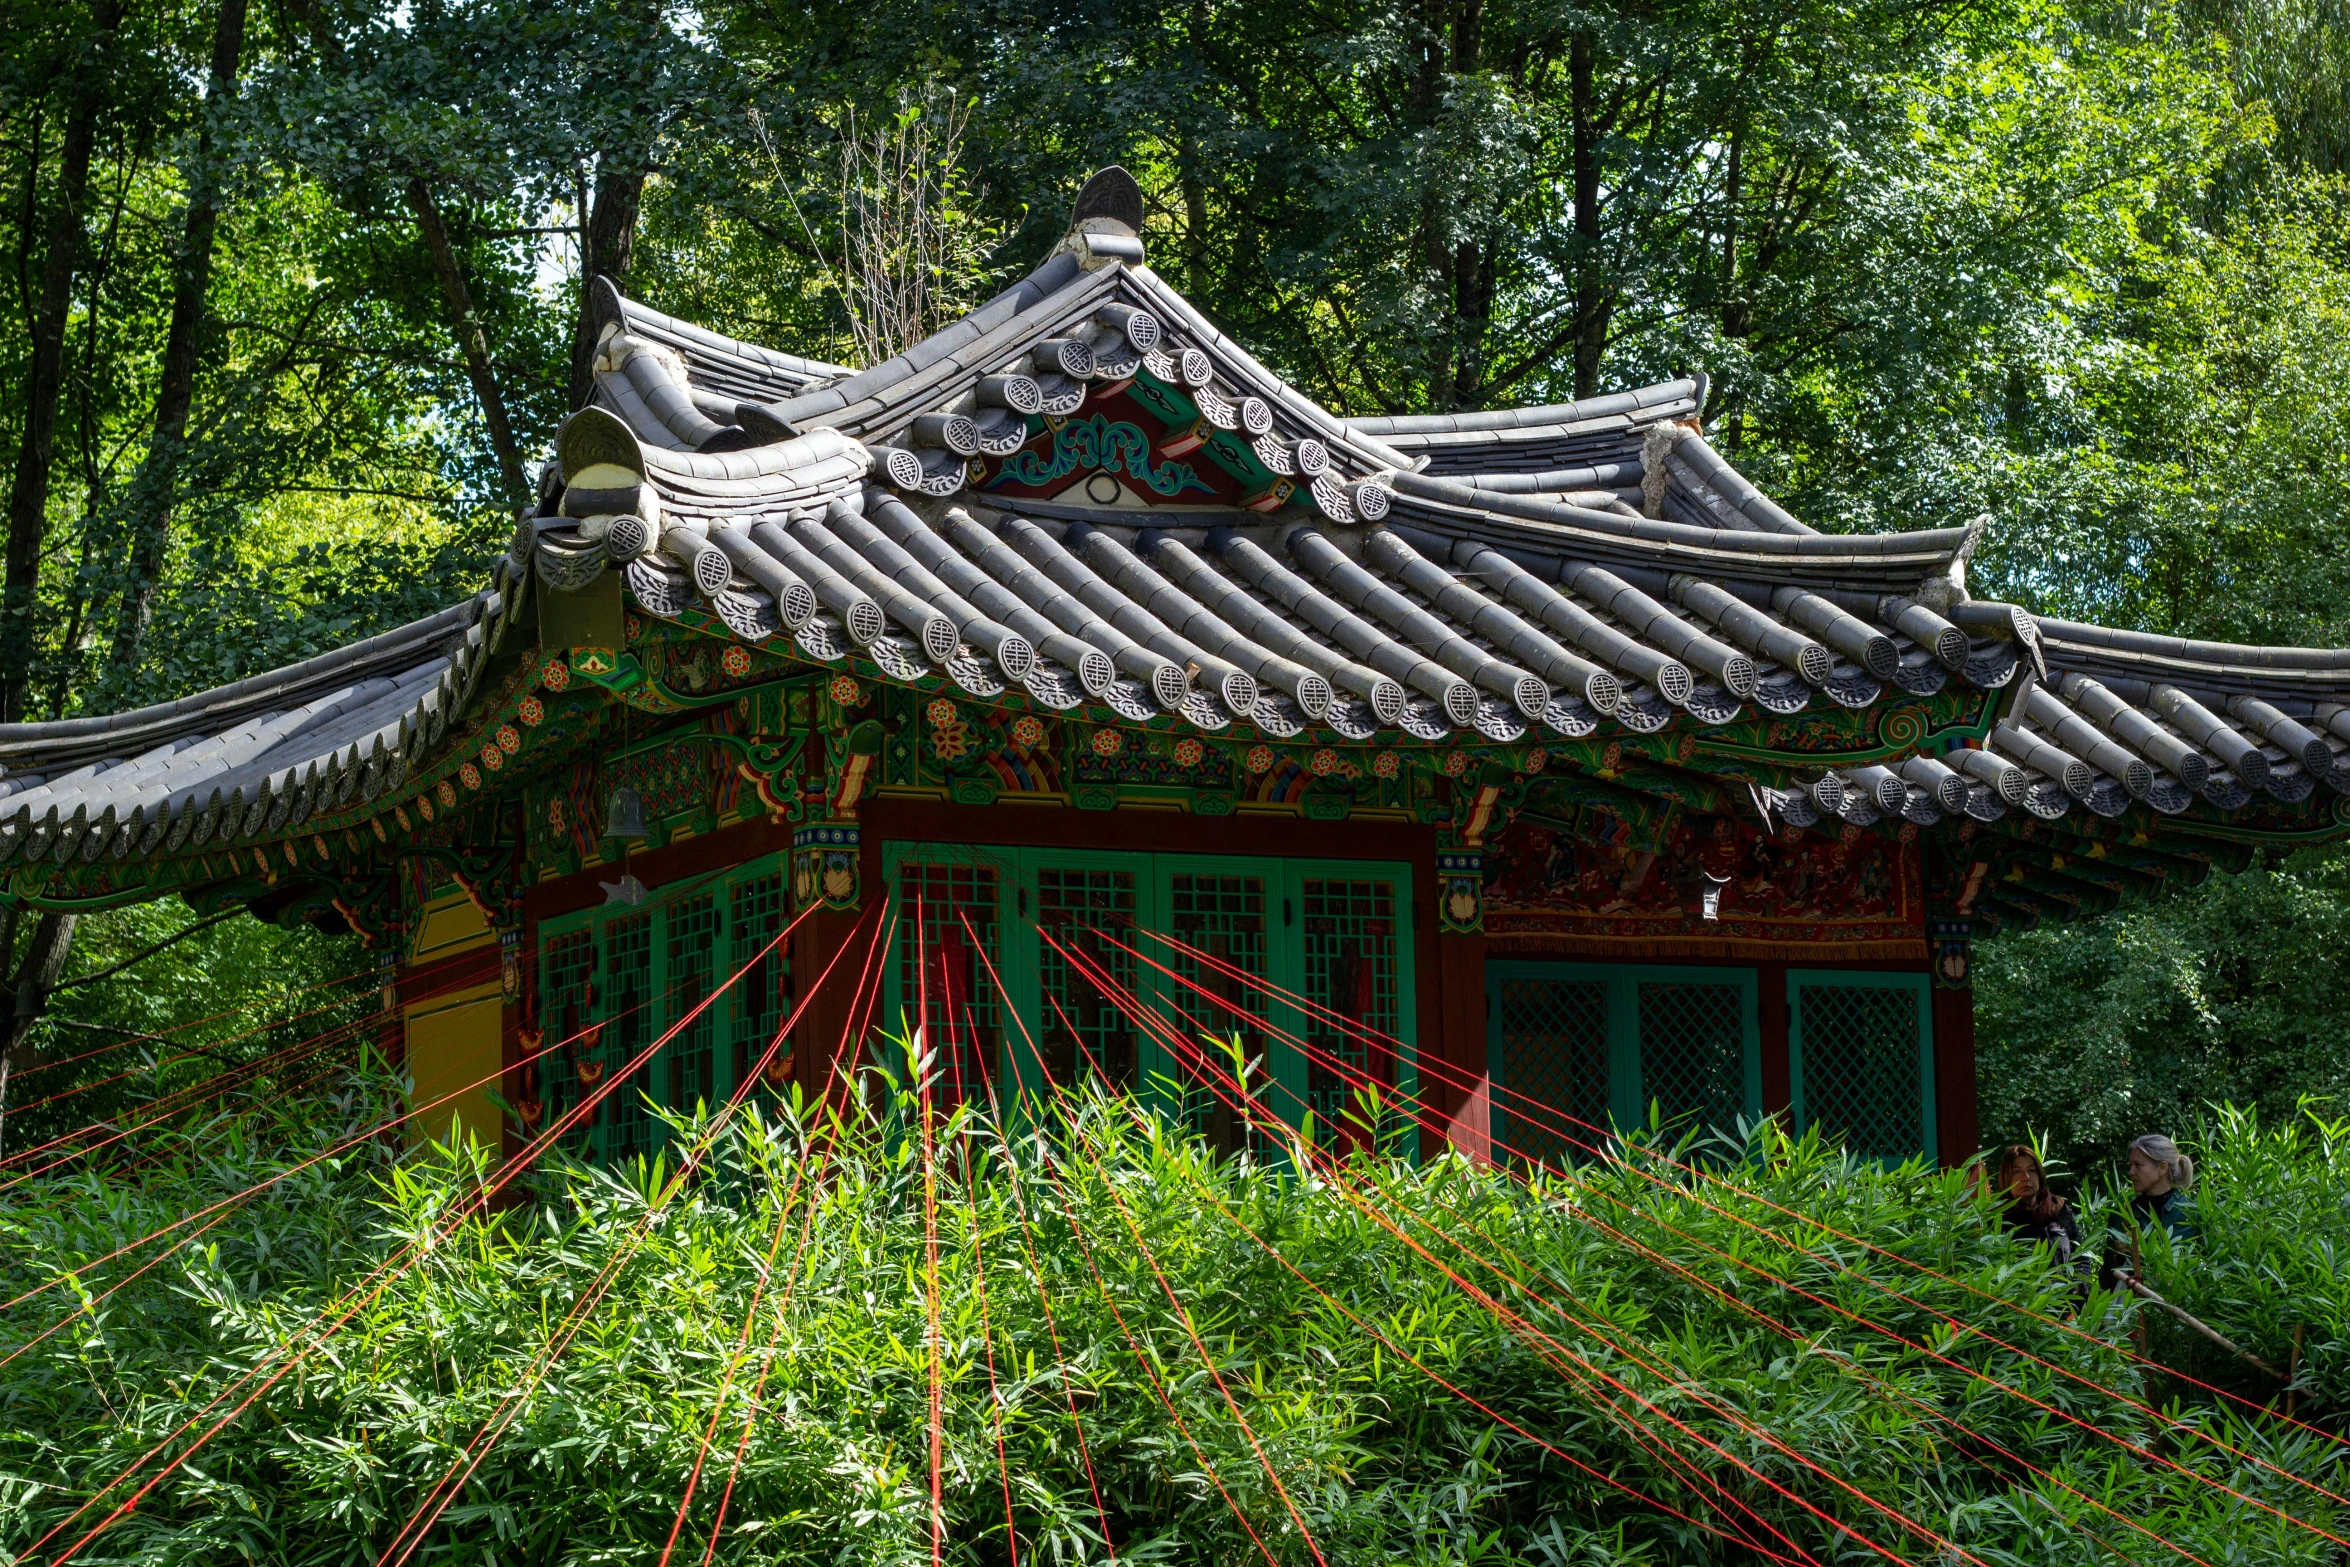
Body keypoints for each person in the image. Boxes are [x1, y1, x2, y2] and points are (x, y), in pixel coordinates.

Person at [1992, 1144, 2083, 1263]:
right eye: (2016, 1172)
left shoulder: (2057, 1209)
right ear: (2006, 1178)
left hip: (2066, 1280)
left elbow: (2080, 1256)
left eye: (2031, 1170)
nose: (2026, 1177)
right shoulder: (1998, 1218)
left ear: (2039, 1175)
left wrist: (2077, 1281)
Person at [2124, 1133, 2196, 1240]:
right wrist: (2117, 1251)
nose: (2131, 1172)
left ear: (2162, 1168)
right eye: (2131, 1165)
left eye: (2138, 1165)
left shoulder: (2189, 1214)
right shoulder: (2125, 1213)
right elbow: (2108, 1255)